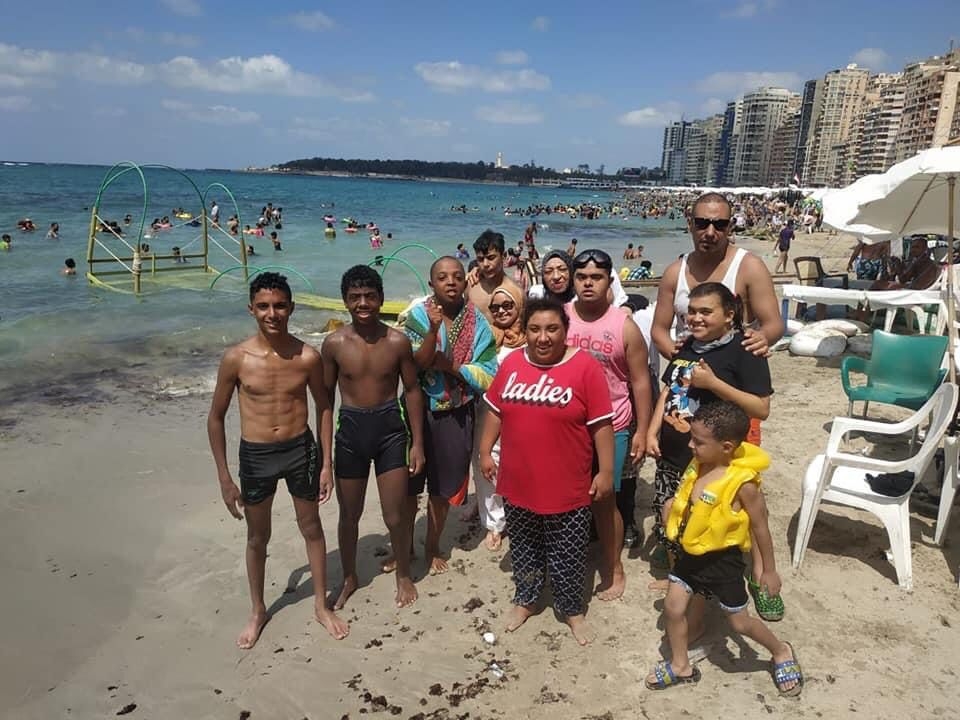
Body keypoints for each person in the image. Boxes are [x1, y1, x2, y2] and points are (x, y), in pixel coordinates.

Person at [206, 272, 348, 648]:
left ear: (291, 308)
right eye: (264, 306)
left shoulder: (307, 357)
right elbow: (215, 417)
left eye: (280, 306)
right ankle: (258, 610)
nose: (273, 313)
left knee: (311, 527)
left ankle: (320, 605)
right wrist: (224, 478)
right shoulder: (236, 359)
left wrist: (326, 463)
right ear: (251, 309)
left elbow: (324, 407)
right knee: (258, 536)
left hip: (300, 449)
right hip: (256, 455)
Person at [479, 297, 614, 646]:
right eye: (535, 329)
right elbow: (495, 410)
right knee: (524, 548)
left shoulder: (586, 367)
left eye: (552, 329)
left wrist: (605, 471)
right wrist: (485, 450)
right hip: (519, 480)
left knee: (568, 552)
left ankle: (572, 609)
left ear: (565, 331)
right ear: (524, 331)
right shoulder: (512, 364)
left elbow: (602, 424)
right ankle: (526, 600)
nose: (543, 337)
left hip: (567, 484)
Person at [644, 401, 802, 697]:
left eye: (698, 441)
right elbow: (691, 505)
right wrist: (672, 511)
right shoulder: (698, 464)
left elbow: (760, 527)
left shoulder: (744, 486)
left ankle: (780, 650)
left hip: (723, 563)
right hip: (690, 557)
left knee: (739, 623)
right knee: (673, 608)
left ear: (726, 447)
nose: (690, 445)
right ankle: (680, 665)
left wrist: (768, 570)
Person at [645, 282, 773, 602]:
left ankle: (760, 575)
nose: (696, 318)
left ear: (729, 314)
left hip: (717, 460)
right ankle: (680, 575)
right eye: (691, 311)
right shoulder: (688, 345)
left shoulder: (746, 349)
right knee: (673, 513)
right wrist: (651, 430)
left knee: (737, 517)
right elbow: (669, 390)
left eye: (706, 311)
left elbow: (761, 408)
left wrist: (714, 384)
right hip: (674, 452)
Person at [321, 266, 426, 610]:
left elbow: (412, 390)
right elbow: (325, 402)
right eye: (355, 297)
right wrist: (325, 459)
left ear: (381, 299)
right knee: (348, 514)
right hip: (350, 432)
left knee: (394, 515)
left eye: (369, 296)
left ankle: (404, 574)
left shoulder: (397, 342)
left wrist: (418, 444)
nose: (363, 303)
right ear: (345, 301)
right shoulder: (334, 344)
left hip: (390, 431)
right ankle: (349, 576)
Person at [393, 257, 498, 575]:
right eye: (442, 277)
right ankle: (405, 546)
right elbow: (415, 363)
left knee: (442, 488)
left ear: (466, 281)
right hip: (416, 410)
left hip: (457, 414)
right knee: (408, 484)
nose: (450, 282)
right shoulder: (417, 315)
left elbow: (489, 373)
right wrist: (433, 329)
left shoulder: (478, 322)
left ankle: (432, 545)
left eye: (456, 276)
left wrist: (452, 367)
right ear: (432, 284)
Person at [567, 248, 652, 600]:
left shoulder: (624, 326)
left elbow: (641, 382)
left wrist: (643, 430)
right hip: (567, 425)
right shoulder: (560, 317)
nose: (588, 283)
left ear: (609, 281)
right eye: (582, 277)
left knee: (605, 499)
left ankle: (614, 567)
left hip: (613, 423)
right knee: (568, 496)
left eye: (596, 277)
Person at [478, 284, 526, 551]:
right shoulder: (485, 338)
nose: (501, 311)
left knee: (521, 466)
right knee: (489, 465)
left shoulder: (532, 337)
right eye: (495, 307)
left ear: (519, 305)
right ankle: (495, 522)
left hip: (524, 413)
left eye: (508, 305)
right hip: (489, 412)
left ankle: (520, 514)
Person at [466, 229, 521, 322]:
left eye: (491, 258)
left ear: (504, 256)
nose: (485, 264)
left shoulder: (516, 292)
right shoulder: (470, 285)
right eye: (480, 259)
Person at [870, 236, 939, 291]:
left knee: (878, 285)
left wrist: (898, 265)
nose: (913, 250)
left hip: (917, 291)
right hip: (914, 288)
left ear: (925, 248)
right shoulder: (919, 261)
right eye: (912, 247)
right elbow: (903, 278)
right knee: (879, 283)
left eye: (917, 247)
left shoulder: (925, 262)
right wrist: (897, 265)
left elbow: (903, 280)